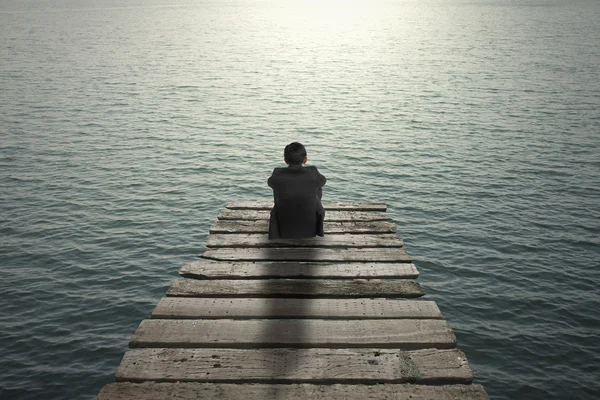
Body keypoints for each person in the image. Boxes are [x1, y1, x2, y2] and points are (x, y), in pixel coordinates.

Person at [268, 142, 327, 239]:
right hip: (309, 224)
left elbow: (270, 182)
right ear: (305, 160)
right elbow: (323, 181)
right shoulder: (313, 172)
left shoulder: (277, 174)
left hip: (284, 223)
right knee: (317, 186)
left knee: (278, 187)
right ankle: (311, 215)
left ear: (285, 161)